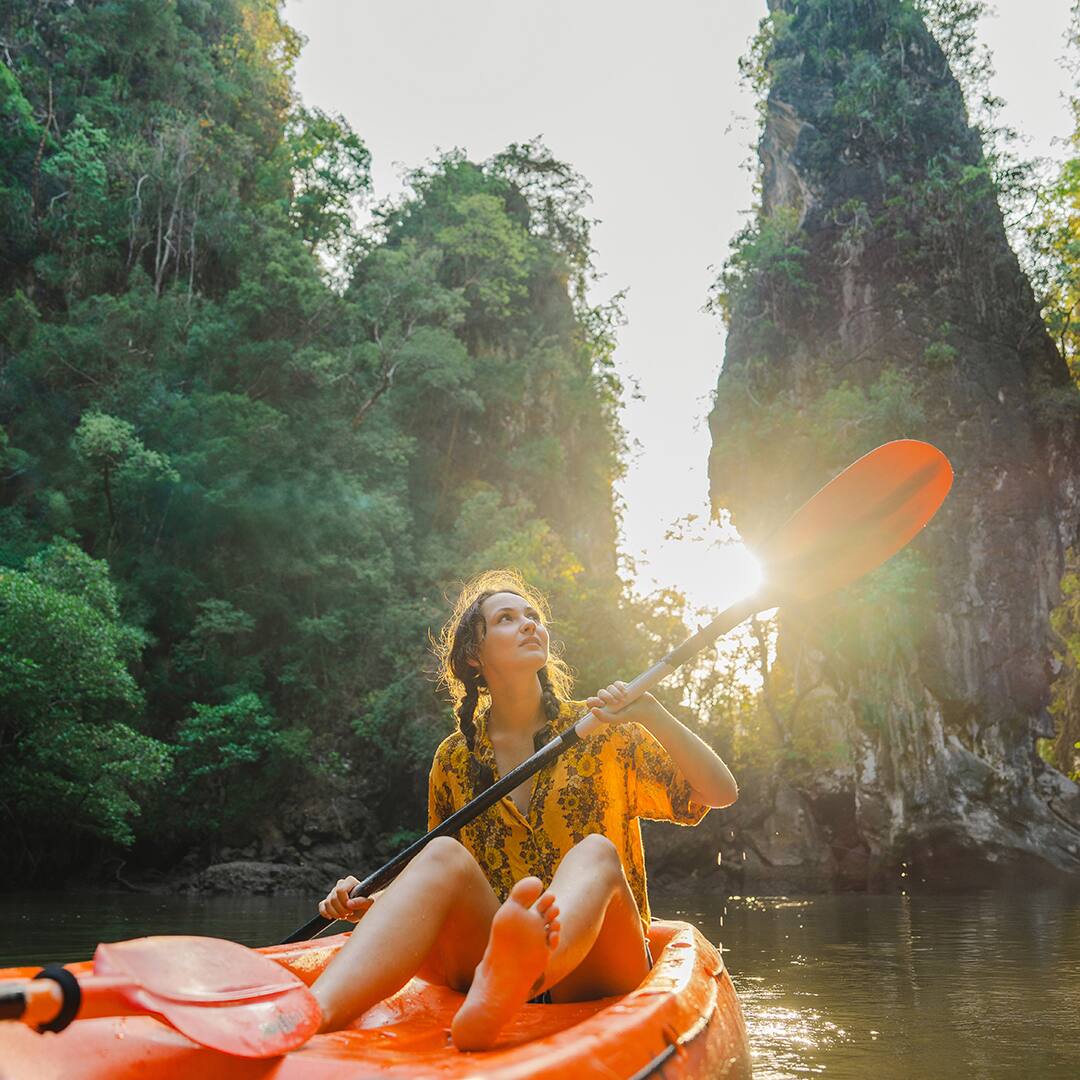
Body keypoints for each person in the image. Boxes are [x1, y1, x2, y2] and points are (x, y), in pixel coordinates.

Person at [310, 569, 738, 1051]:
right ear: (475, 655)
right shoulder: (454, 758)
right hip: (491, 950)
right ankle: (313, 1012)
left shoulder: (604, 729)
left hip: (598, 963)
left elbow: (719, 792)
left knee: (596, 852)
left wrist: (651, 712)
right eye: (507, 619)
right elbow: (437, 887)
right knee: (441, 855)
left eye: (534, 616)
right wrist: (370, 902)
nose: (529, 624)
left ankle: (522, 978)